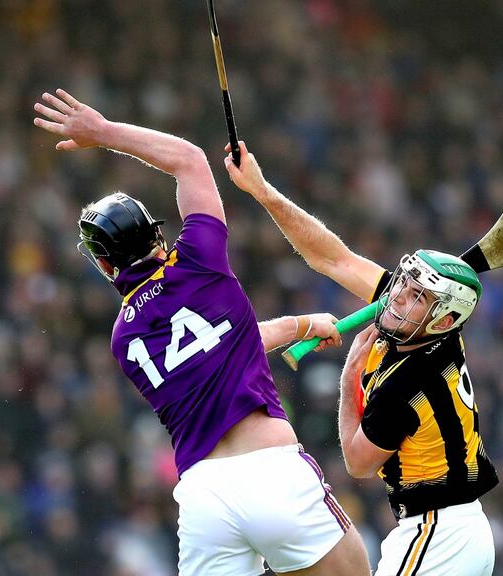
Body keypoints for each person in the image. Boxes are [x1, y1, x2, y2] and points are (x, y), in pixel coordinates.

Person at [32, 90, 370, 576]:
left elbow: (220, 347)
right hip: (271, 470)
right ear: (157, 234)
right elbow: (188, 160)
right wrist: (101, 132)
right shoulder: (198, 259)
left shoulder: (122, 340)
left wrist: (300, 324)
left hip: (203, 500)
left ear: (105, 265)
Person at [225, 141, 498, 576]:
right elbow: (331, 257)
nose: (397, 298)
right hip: (453, 529)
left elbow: (357, 463)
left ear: (444, 319)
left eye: (416, 296)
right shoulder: (431, 328)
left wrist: (349, 373)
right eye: (405, 284)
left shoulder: (410, 384)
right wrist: (263, 191)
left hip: (439, 534)